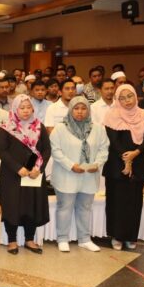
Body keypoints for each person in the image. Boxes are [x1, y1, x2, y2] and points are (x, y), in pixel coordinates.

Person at [49, 97, 109, 252]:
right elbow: (55, 151)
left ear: (88, 110)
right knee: (65, 207)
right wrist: (71, 165)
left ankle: (84, 239)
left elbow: (104, 148)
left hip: (89, 175)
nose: (80, 112)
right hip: (66, 175)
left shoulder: (98, 128)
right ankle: (62, 238)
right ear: (70, 110)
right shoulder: (60, 128)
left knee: (85, 207)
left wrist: (98, 164)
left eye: (83, 108)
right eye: (76, 108)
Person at [0, 94, 51, 255]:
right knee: (12, 205)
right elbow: (2, 150)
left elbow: (46, 149)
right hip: (12, 174)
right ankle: (12, 241)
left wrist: (38, 169)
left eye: (28, 107)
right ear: (15, 109)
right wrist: (18, 168)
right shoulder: (6, 127)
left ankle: (29, 239)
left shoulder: (39, 126)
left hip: (34, 173)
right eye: (22, 108)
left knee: (31, 204)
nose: (26, 111)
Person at [102, 85, 144, 251]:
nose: (127, 101)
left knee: (134, 202)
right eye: (122, 98)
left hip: (138, 163)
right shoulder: (111, 116)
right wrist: (126, 157)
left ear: (136, 96)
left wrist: (135, 153)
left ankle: (131, 236)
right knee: (116, 201)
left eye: (130, 96)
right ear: (117, 99)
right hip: (116, 164)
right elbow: (113, 140)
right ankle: (116, 236)